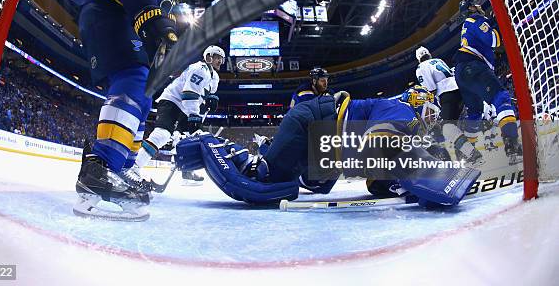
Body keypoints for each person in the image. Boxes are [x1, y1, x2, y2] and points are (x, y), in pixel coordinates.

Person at [71, 0, 210, 220]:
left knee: (143, 92)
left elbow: (159, 10)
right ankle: (101, 169)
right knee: (133, 81)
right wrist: (151, 17)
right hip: (110, 9)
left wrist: (165, 36)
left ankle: (121, 170)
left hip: (121, 18)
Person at [176, 87, 480, 208]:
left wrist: (402, 184)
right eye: (429, 111)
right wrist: (424, 175)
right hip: (315, 125)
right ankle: (206, 141)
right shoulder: (400, 110)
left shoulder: (399, 118)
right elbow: (382, 140)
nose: (430, 119)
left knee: (310, 186)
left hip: (325, 149)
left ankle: (271, 153)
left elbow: (376, 183)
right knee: (262, 182)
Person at [134, 45, 224, 184]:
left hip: (185, 107)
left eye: (221, 59)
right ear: (209, 57)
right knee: (162, 134)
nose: (220, 61)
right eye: (217, 57)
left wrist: (209, 101)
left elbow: (202, 96)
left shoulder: (215, 77)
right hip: (172, 101)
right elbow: (189, 94)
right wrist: (194, 116)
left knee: (186, 139)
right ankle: (134, 167)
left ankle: (186, 173)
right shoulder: (200, 69)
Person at [452, 0, 522, 165]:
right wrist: (496, 22)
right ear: (471, 8)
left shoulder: (467, 24)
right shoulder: (476, 19)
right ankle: (512, 147)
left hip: (462, 72)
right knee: (502, 99)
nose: (479, 6)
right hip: (473, 66)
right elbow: (493, 40)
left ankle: (467, 156)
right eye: (475, 4)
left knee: (475, 114)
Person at [415, 46, 482, 164]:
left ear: (419, 59)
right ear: (429, 54)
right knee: (455, 127)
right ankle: (464, 156)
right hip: (460, 90)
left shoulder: (421, 67)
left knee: (447, 128)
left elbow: (431, 89)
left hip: (448, 94)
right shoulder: (439, 60)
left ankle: (473, 154)